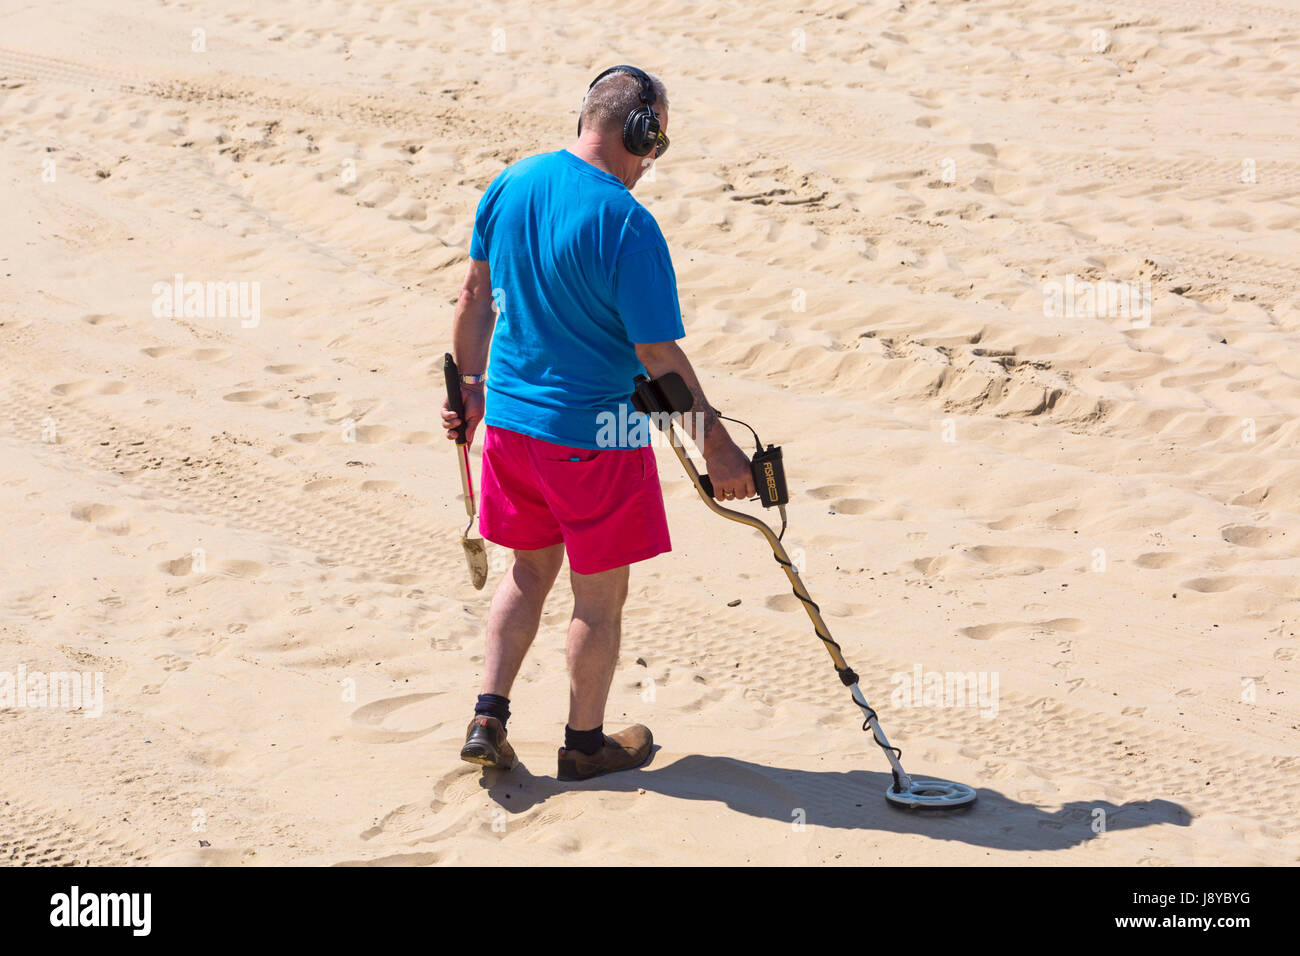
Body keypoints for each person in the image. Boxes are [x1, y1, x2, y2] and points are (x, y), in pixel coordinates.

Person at [442, 65, 755, 781]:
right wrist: (719, 444)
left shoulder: (512, 182)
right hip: (596, 440)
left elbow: (472, 296)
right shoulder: (627, 223)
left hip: (512, 430)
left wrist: (469, 387)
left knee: (527, 570)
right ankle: (584, 746)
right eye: (658, 144)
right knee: (598, 596)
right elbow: (655, 352)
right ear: (641, 132)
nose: (654, 161)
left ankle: (488, 716)